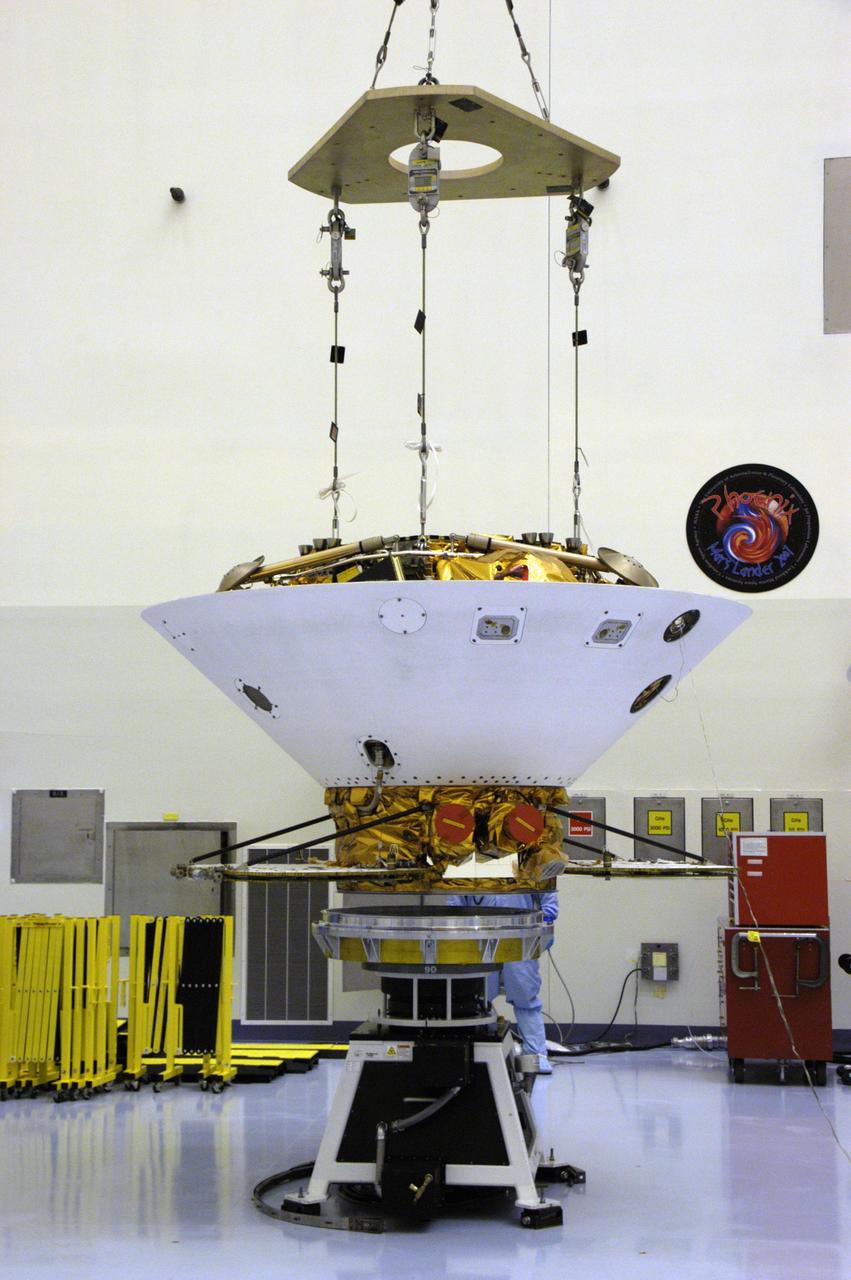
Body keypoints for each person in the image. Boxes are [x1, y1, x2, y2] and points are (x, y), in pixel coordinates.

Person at [447, 890, 558, 1073]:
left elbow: (546, 887)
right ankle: (476, 1052)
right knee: (479, 996)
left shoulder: (523, 862)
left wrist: (546, 918)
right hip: (480, 937)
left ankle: (536, 1054)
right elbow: (455, 897)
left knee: (525, 994)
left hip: (520, 937)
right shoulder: (470, 863)